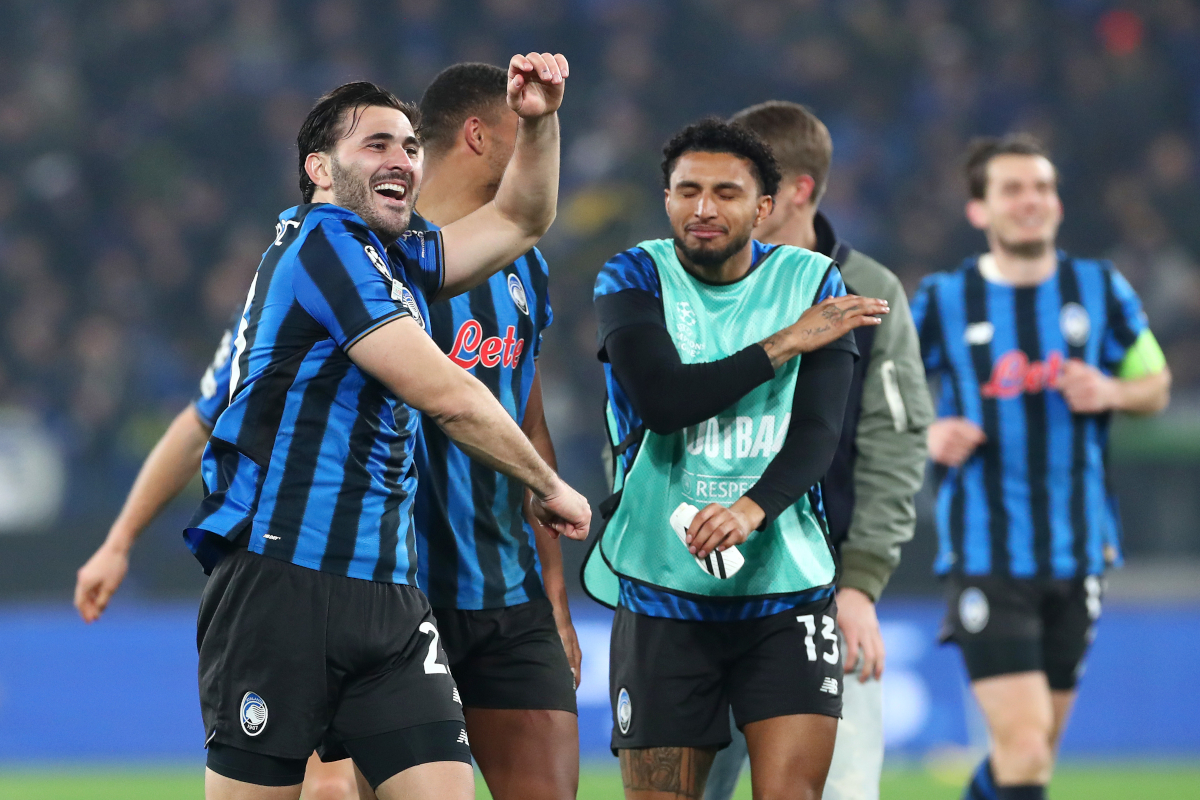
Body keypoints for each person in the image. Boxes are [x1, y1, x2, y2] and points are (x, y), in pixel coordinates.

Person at [72, 59, 579, 800]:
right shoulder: (319, 246)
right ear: (318, 169)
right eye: (376, 144)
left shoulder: (396, 258)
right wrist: (546, 483)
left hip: (389, 596)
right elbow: (445, 393)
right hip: (283, 584)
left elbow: (519, 219)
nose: (402, 159)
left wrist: (538, 122)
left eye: (409, 146)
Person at [582, 118, 890, 800]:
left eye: (726, 192)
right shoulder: (634, 275)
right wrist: (784, 344)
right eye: (687, 190)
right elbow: (663, 400)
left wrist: (752, 509)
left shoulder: (814, 280)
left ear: (764, 207)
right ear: (665, 199)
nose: (703, 208)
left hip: (785, 588)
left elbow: (817, 436)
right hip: (663, 587)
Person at [910, 135, 1171, 800]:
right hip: (987, 555)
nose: (1032, 202)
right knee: (1025, 753)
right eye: (1013, 190)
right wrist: (928, 429)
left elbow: (1157, 384)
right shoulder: (944, 300)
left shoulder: (1100, 290)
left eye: (1042, 189)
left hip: (1079, 553)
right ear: (979, 210)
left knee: (1031, 761)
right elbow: (882, 395)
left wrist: (1113, 391)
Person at [702, 102, 934, 800]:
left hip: (821, 598)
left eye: (746, 186)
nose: (723, 203)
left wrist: (861, 583)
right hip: (697, 596)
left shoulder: (872, 293)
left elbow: (895, 445)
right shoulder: (686, 283)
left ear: (798, 192)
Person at [404, 62, 580, 800]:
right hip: (399, 599)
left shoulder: (525, 269)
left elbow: (530, 425)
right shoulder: (379, 260)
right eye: (524, 134)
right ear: (478, 135)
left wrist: (555, 596)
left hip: (508, 596)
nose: (536, 157)